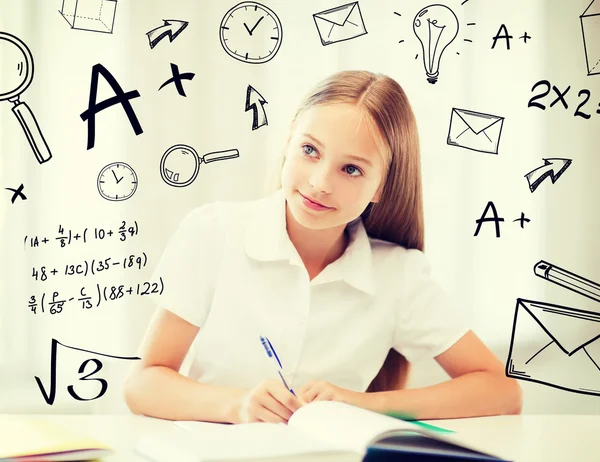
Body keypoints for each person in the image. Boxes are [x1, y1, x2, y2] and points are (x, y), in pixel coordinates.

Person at [124, 70, 522, 424]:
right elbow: (143, 383)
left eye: (351, 169)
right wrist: (238, 405)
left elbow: (502, 391)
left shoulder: (397, 274)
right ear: (289, 139)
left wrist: (362, 405)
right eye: (310, 150)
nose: (319, 182)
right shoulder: (213, 233)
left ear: (382, 185)